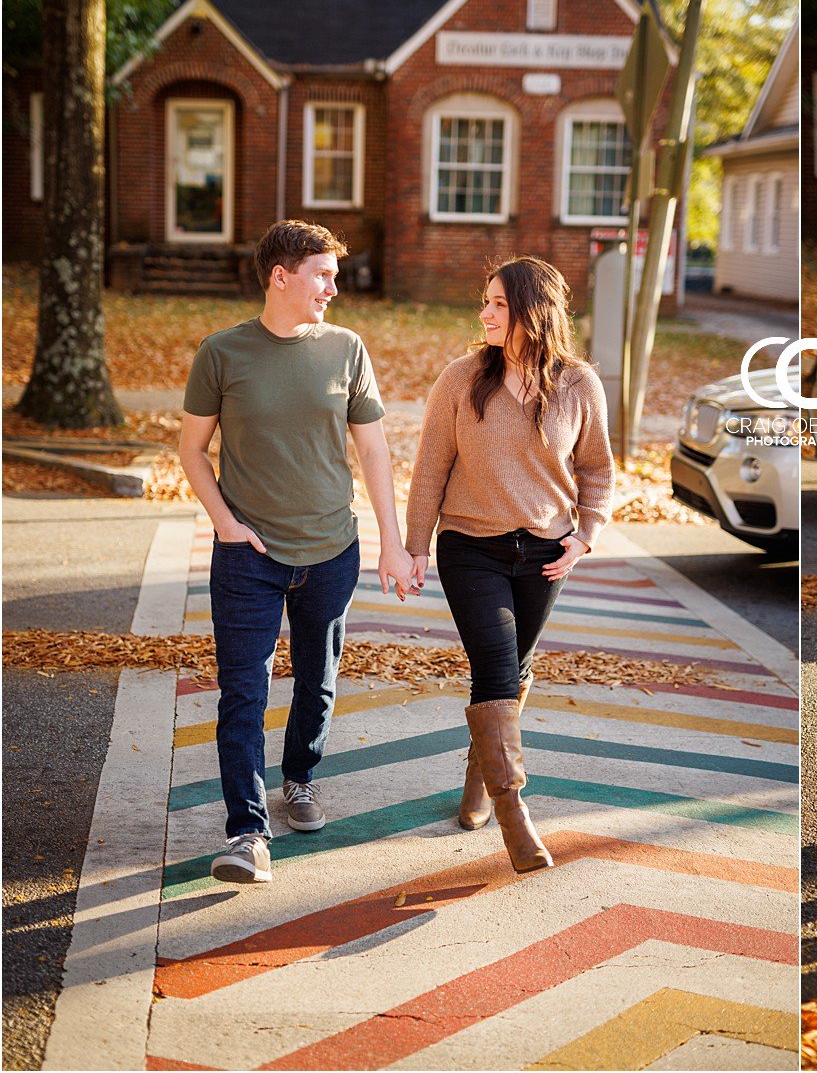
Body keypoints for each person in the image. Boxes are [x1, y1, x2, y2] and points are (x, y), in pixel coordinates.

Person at [179, 220, 414, 886]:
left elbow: (372, 449)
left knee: (318, 677)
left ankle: (301, 777)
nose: (334, 288)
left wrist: (392, 543)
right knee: (243, 692)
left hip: (330, 549)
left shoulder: (346, 349)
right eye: (323, 274)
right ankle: (247, 832)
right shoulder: (221, 353)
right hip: (247, 553)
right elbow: (191, 450)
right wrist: (224, 523)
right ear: (281, 276)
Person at [405, 257, 614, 873]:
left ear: (534, 312)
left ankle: (476, 785)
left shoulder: (578, 385)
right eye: (486, 301)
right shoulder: (462, 377)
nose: (485, 313)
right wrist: (417, 546)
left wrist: (584, 538)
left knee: (512, 669)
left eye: (499, 304)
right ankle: (513, 812)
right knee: (496, 666)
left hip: (546, 552)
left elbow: (597, 468)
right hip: (471, 546)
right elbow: (431, 468)